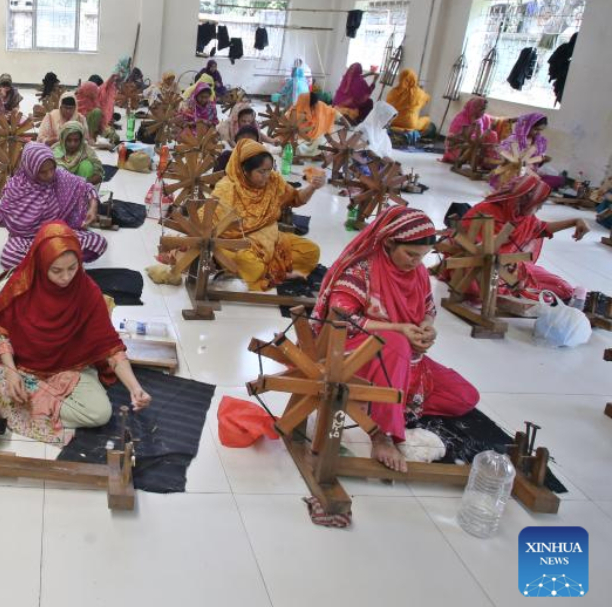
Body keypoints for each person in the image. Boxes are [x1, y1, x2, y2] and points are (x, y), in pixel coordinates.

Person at [313, 206, 479, 473]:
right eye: (410, 254)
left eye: (422, 257)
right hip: (353, 353)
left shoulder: (419, 273)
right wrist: (400, 329)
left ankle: (383, 399)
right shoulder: (360, 270)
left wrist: (427, 328)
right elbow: (342, 318)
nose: (415, 262)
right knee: (393, 342)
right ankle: (383, 434)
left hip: (403, 359)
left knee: (465, 397)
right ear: (389, 241)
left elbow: (428, 310)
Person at [0, 221, 151, 443]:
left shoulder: (87, 292)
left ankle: (10, 404)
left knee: (100, 413)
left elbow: (110, 347)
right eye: (56, 270)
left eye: (73, 268)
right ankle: (29, 402)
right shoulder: (20, 287)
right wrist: (12, 372)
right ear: (41, 265)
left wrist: (135, 387)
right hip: (21, 367)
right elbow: (2, 333)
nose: (66, 277)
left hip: (69, 371)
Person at [443, 173, 587, 303]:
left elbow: (541, 229)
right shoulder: (484, 212)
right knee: (486, 289)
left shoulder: (521, 216)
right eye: (538, 205)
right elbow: (474, 250)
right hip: (476, 268)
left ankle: (538, 295)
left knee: (562, 287)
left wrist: (574, 221)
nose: (540, 209)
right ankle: (526, 295)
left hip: (507, 268)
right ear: (524, 201)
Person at [204, 139, 324, 291]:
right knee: (250, 263)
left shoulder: (274, 181)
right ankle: (276, 273)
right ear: (244, 171)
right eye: (261, 171)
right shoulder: (227, 189)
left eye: (269, 170)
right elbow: (207, 221)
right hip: (236, 244)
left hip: (270, 239)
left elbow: (296, 198)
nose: (267, 175)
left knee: (311, 251)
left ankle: (268, 274)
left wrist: (312, 187)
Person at [0, 142, 105, 269]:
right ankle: (54, 263)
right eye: (43, 172)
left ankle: (46, 265)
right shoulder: (15, 187)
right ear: (30, 169)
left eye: (52, 169)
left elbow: (86, 187)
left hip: (54, 235)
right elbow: (3, 209)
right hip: (25, 240)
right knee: (9, 258)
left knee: (97, 243)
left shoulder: (59, 177)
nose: (50, 175)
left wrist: (93, 207)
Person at [491, 113, 553, 188]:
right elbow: (503, 155)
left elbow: (539, 158)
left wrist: (543, 159)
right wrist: (510, 159)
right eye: (536, 129)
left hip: (527, 169)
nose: (538, 132)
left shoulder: (540, 141)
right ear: (528, 126)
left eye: (541, 130)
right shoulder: (514, 139)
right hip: (511, 169)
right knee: (514, 181)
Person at [288, 91, 340, 158]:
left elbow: (333, 112)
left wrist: (347, 124)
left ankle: (316, 154)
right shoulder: (297, 107)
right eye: (310, 106)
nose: (313, 107)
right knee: (295, 147)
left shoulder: (320, 105)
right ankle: (314, 154)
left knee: (322, 142)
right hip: (301, 138)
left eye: (314, 105)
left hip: (316, 137)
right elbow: (288, 121)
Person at [442, 97, 493, 164]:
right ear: (473, 107)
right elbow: (453, 135)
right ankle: (462, 158)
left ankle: (485, 162)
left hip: (478, 143)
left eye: (484, 109)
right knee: (470, 141)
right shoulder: (461, 117)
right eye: (480, 108)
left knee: (492, 134)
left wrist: (480, 135)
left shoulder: (485, 118)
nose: (482, 112)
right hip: (459, 143)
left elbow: (486, 132)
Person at [385, 68, 431, 135]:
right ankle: (417, 135)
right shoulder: (419, 93)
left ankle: (399, 131)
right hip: (410, 124)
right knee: (427, 119)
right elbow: (427, 99)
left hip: (393, 121)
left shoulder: (394, 91)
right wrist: (420, 90)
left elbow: (388, 102)